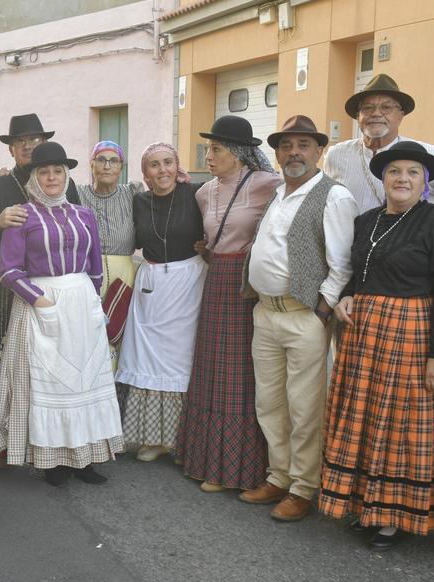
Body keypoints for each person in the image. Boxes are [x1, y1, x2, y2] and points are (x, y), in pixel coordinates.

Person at [318, 142, 434, 549]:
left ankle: (393, 517)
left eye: (412, 173)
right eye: (394, 172)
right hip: (365, 334)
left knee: (397, 425)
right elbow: (359, 271)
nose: (402, 179)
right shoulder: (367, 220)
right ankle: (366, 505)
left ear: (425, 182)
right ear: (382, 180)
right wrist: (348, 294)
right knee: (364, 420)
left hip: (411, 332)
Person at [239, 115, 359, 522]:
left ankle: (304, 487)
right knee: (269, 402)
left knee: (305, 406)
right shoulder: (278, 193)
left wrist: (322, 310)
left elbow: (342, 263)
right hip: (265, 312)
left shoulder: (334, 196)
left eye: (303, 145)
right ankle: (279, 476)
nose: (294, 152)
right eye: (287, 145)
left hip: (303, 315)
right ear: (277, 152)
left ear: (319, 151)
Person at [0, 142, 122, 486]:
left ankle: (87, 458)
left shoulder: (84, 215)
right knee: (52, 381)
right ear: (34, 176)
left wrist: (96, 304)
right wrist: (40, 301)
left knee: (85, 379)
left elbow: (95, 266)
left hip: (81, 306)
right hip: (41, 304)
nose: (52, 177)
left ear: (67, 175)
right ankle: (52, 461)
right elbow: (8, 270)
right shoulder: (22, 214)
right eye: (44, 171)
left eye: (58, 171)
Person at [177, 116, 281, 492]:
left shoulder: (267, 184)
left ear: (238, 153)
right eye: (208, 148)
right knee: (211, 365)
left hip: (246, 284)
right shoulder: (204, 192)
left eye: (216, 149)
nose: (209, 155)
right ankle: (207, 461)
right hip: (216, 278)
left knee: (239, 369)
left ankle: (239, 468)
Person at [0, 113, 82, 457]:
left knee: (54, 369)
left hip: (54, 292)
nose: (30, 147)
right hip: (6, 293)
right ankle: (12, 442)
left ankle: (53, 442)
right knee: (13, 372)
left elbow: (75, 237)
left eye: (35, 141)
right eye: (22, 142)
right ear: (12, 149)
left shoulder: (64, 184)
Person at [116, 144, 206, 462]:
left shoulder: (196, 193)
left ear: (178, 166)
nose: (163, 170)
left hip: (187, 282)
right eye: (154, 165)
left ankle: (180, 440)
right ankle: (152, 437)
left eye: (168, 162)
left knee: (181, 359)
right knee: (148, 359)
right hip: (152, 282)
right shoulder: (139, 200)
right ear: (145, 173)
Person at [322, 74, 434, 212]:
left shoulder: (425, 154)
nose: (376, 113)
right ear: (358, 116)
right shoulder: (336, 155)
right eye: (368, 108)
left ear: (400, 116)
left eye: (386, 107)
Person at [76, 141, 144, 368]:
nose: (107, 166)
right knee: (87, 335)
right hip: (86, 275)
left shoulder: (132, 193)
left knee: (120, 332)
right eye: (101, 160)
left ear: (121, 167)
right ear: (91, 164)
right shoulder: (77, 194)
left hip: (123, 274)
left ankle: (118, 395)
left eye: (113, 161)